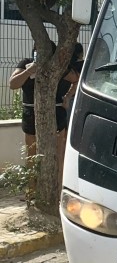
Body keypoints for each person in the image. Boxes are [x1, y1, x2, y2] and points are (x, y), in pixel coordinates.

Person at [9, 40, 79, 185]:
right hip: (31, 112)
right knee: (32, 155)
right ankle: (32, 192)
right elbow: (13, 84)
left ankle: (58, 190)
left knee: (58, 155)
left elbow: (76, 80)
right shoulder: (26, 64)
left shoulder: (58, 67)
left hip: (56, 112)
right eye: (37, 51)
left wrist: (67, 97)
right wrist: (30, 70)